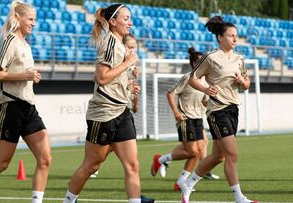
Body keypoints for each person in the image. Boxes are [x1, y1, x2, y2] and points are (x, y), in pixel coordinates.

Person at [62, 4, 154, 203]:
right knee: (91, 166)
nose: (130, 22)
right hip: (103, 113)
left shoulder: (120, 44)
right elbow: (101, 78)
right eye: (126, 18)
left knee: (132, 166)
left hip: (122, 111)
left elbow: (113, 79)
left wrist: (129, 81)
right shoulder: (109, 43)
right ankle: (69, 200)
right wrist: (127, 63)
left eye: (130, 18)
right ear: (113, 22)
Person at [0, 1, 51, 203]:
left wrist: (30, 76)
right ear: (18, 19)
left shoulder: (26, 44)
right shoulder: (10, 40)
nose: (34, 23)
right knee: (1, 163)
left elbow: (21, 75)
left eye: (35, 19)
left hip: (29, 108)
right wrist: (24, 75)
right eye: (30, 19)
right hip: (11, 107)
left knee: (45, 159)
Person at [180, 16, 259, 203]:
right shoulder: (210, 57)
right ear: (220, 38)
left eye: (236, 36)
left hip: (233, 109)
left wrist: (242, 82)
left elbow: (247, 84)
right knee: (232, 154)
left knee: (218, 156)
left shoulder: (240, 59)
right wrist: (206, 89)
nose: (235, 39)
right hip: (217, 111)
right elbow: (193, 78)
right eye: (231, 36)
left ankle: (188, 183)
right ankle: (239, 198)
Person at [150, 47, 219, 192]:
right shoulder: (188, 78)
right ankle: (161, 160)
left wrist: (215, 101)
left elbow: (205, 102)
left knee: (198, 150)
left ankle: (180, 181)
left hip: (198, 119)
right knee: (193, 151)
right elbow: (170, 93)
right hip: (185, 118)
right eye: (201, 62)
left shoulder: (206, 81)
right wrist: (175, 111)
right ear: (194, 64)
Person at [90, 33, 140, 179]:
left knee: (132, 164)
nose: (132, 51)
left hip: (123, 110)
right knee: (93, 162)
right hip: (108, 111)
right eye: (129, 47)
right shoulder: (115, 55)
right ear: (122, 46)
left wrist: (132, 88)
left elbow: (126, 89)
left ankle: (136, 196)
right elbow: (98, 78)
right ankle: (72, 194)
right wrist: (126, 66)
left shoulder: (131, 64)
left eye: (134, 48)